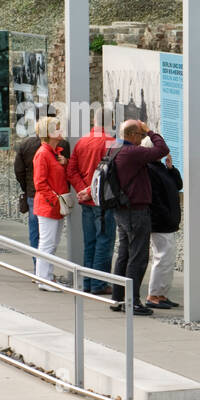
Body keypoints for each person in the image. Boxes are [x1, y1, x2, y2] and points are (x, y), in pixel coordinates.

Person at [108, 119, 168, 316]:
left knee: (124, 254)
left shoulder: (114, 148)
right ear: (133, 135)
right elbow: (161, 149)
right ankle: (132, 301)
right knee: (138, 256)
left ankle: (118, 298)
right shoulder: (132, 152)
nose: (143, 139)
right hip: (135, 210)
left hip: (121, 209)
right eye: (141, 136)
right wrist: (150, 131)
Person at [65, 109, 119, 295]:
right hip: (104, 201)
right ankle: (99, 284)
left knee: (90, 243)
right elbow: (111, 175)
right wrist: (91, 191)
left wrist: (83, 190)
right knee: (105, 241)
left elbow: (71, 170)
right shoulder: (111, 144)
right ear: (111, 121)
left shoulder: (82, 142)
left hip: (86, 202)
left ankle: (88, 282)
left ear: (93, 121)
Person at [30, 116, 71, 293]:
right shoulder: (43, 153)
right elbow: (39, 183)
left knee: (52, 243)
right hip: (49, 205)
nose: (61, 131)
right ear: (49, 133)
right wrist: (55, 200)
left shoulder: (54, 153)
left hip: (54, 205)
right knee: (47, 243)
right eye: (57, 128)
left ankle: (47, 277)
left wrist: (65, 163)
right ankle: (43, 279)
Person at [145, 143, 183, 310]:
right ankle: (154, 294)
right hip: (160, 221)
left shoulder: (160, 167)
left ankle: (162, 293)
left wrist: (171, 168)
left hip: (167, 221)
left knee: (168, 258)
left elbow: (178, 185)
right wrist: (167, 216)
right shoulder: (150, 169)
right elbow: (156, 199)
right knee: (161, 258)